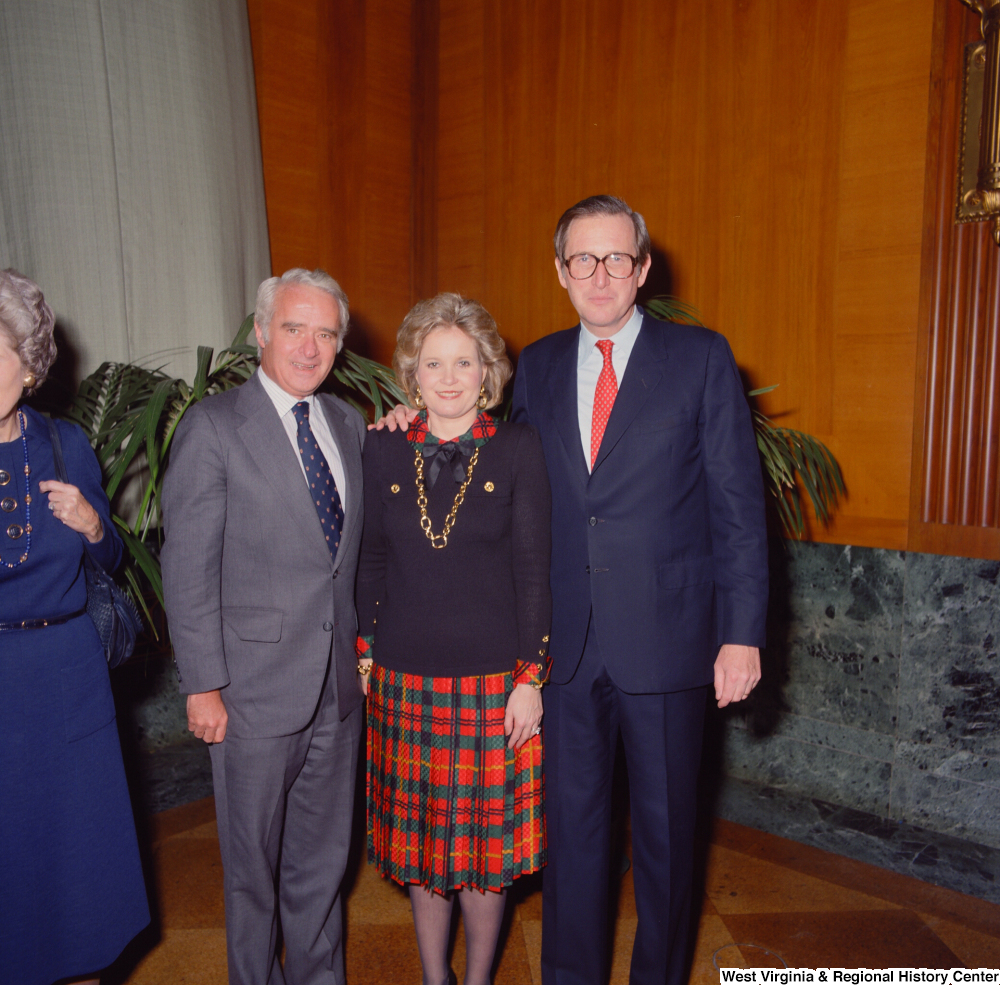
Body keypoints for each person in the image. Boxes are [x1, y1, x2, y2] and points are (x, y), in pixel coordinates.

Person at [376, 196, 769, 985]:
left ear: (643, 269)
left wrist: (743, 631)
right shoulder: (544, 365)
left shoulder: (700, 358)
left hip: (668, 644)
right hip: (564, 649)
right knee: (574, 842)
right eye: (581, 259)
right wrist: (408, 420)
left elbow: (738, 506)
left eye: (615, 257)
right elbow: (491, 462)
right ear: (560, 272)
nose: (599, 273)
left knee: (664, 843)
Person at [161, 268, 367, 985]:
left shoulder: (348, 425)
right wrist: (204, 685)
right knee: (253, 877)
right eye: (293, 328)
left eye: (325, 333)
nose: (309, 348)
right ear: (259, 332)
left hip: (337, 697)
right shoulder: (213, 427)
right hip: (247, 697)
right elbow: (186, 566)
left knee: (322, 871)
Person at [356, 293, 551, 985]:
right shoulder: (380, 445)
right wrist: (364, 650)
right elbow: (370, 560)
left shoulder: (519, 446)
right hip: (404, 681)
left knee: (485, 857)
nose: (448, 377)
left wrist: (531, 677)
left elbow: (533, 568)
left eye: (463, 361)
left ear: (487, 370)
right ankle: (434, 976)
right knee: (423, 853)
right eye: (433, 362)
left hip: (494, 683)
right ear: (411, 373)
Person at [0, 268, 149, 985]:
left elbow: (114, 559)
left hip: (66, 680)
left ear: (28, 366)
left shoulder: (64, 445)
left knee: (80, 883)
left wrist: (95, 524)